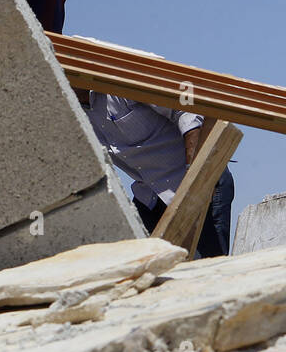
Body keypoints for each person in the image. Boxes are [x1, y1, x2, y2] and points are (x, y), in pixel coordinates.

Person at [79, 91, 235, 258]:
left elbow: (186, 110)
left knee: (205, 268)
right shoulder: (72, 112)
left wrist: (195, 177)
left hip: (198, 185)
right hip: (150, 197)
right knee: (147, 268)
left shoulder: (119, 86)